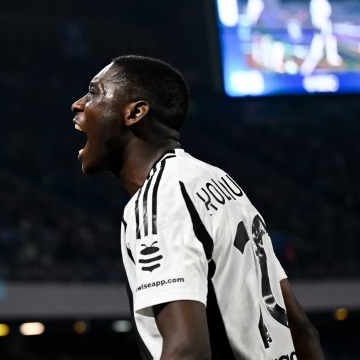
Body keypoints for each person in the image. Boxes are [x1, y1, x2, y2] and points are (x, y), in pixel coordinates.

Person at [71, 55, 324, 359]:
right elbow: (302, 329)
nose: (78, 104)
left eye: (94, 92)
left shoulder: (159, 199)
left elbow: (187, 350)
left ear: (135, 112)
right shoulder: (222, 182)